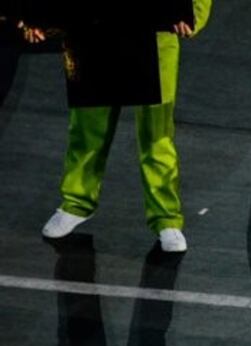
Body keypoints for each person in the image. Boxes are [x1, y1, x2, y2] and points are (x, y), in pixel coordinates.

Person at [21, 0, 211, 253]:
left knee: (156, 134)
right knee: (86, 126)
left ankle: (166, 217)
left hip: (154, 32)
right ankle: (77, 203)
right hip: (90, 30)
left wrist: (193, 14)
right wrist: (41, 17)